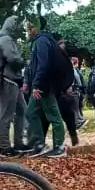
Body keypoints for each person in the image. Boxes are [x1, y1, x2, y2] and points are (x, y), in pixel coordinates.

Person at [24, 17, 70, 158]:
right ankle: (39, 144)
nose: (29, 30)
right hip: (42, 84)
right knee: (31, 112)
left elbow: (42, 65)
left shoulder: (41, 41)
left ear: (38, 28)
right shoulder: (45, 40)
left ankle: (60, 147)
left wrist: (37, 85)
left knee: (53, 115)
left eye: (31, 27)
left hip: (44, 85)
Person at [0, 15, 27, 157]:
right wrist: (23, 60)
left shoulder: (4, 39)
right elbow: (12, 58)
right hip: (8, 81)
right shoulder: (6, 40)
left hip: (13, 81)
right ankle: (5, 148)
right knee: (6, 115)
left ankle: (18, 143)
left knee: (22, 111)